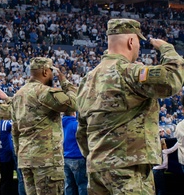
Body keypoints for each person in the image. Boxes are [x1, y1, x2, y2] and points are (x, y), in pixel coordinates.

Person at [76, 18, 184, 195]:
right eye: (138, 43)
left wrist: (98, 156)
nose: (138, 47)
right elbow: (172, 79)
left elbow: (82, 130)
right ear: (131, 41)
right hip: (128, 170)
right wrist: (167, 48)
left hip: (97, 170)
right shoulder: (130, 72)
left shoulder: (87, 79)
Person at [11, 57, 77, 195]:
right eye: (52, 71)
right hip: (46, 160)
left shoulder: (18, 95)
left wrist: (20, 153)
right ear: (46, 72)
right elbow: (74, 103)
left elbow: (15, 130)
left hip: (26, 159)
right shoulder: (44, 92)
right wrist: (64, 81)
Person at [62, 111, 88, 195]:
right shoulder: (75, 125)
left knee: (68, 185)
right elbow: (82, 138)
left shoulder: (59, 125)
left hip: (65, 158)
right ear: (74, 113)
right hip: (77, 157)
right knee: (82, 184)